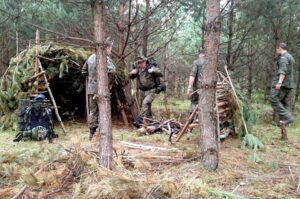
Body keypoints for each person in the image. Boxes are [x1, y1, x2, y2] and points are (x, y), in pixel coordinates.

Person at [82, 41, 116, 140]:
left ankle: (91, 134)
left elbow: (84, 71)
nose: (110, 51)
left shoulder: (90, 58)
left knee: (93, 111)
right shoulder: (105, 58)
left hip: (91, 89)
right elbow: (112, 71)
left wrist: (91, 79)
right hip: (102, 89)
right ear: (107, 48)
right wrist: (109, 83)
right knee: (103, 110)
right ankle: (103, 133)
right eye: (110, 49)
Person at [129, 56, 163, 128]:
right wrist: (132, 73)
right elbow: (130, 76)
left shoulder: (150, 67)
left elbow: (160, 73)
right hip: (142, 91)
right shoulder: (138, 69)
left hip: (151, 90)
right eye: (138, 63)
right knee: (147, 107)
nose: (140, 64)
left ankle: (139, 120)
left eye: (141, 63)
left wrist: (153, 71)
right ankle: (152, 122)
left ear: (144, 62)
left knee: (145, 103)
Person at [270, 43, 295, 126]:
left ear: (279, 48)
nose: (276, 51)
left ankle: (288, 118)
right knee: (284, 103)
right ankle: (284, 123)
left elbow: (282, 71)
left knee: (273, 99)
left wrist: (279, 82)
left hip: (282, 84)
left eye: (277, 49)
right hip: (289, 84)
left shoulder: (283, 57)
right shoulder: (290, 57)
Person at [187, 49, 205, 114]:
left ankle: (192, 120)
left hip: (198, 88)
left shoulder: (197, 62)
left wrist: (189, 87)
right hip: (209, 89)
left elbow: (192, 75)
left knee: (194, 102)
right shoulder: (211, 63)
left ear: (199, 54)